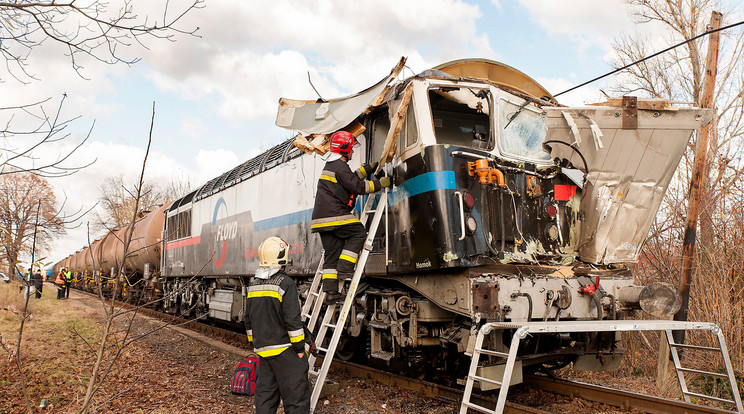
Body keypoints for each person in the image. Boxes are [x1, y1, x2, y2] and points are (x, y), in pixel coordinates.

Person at [310, 130, 391, 304]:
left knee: (332, 253)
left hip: (320, 219)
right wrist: (380, 183)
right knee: (358, 233)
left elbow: (348, 179)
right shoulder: (340, 166)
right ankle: (345, 268)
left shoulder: (332, 166)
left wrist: (367, 169)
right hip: (335, 215)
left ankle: (331, 293)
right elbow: (357, 187)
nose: (353, 151)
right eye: (351, 148)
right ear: (344, 148)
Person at [244, 236, 310, 414]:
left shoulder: (253, 285)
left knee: (265, 398)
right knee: (296, 399)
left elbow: (247, 319)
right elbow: (292, 320)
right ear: (283, 258)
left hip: (264, 352)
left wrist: (255, 343)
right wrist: (299, 349)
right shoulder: (285, 284)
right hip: (284, 351)